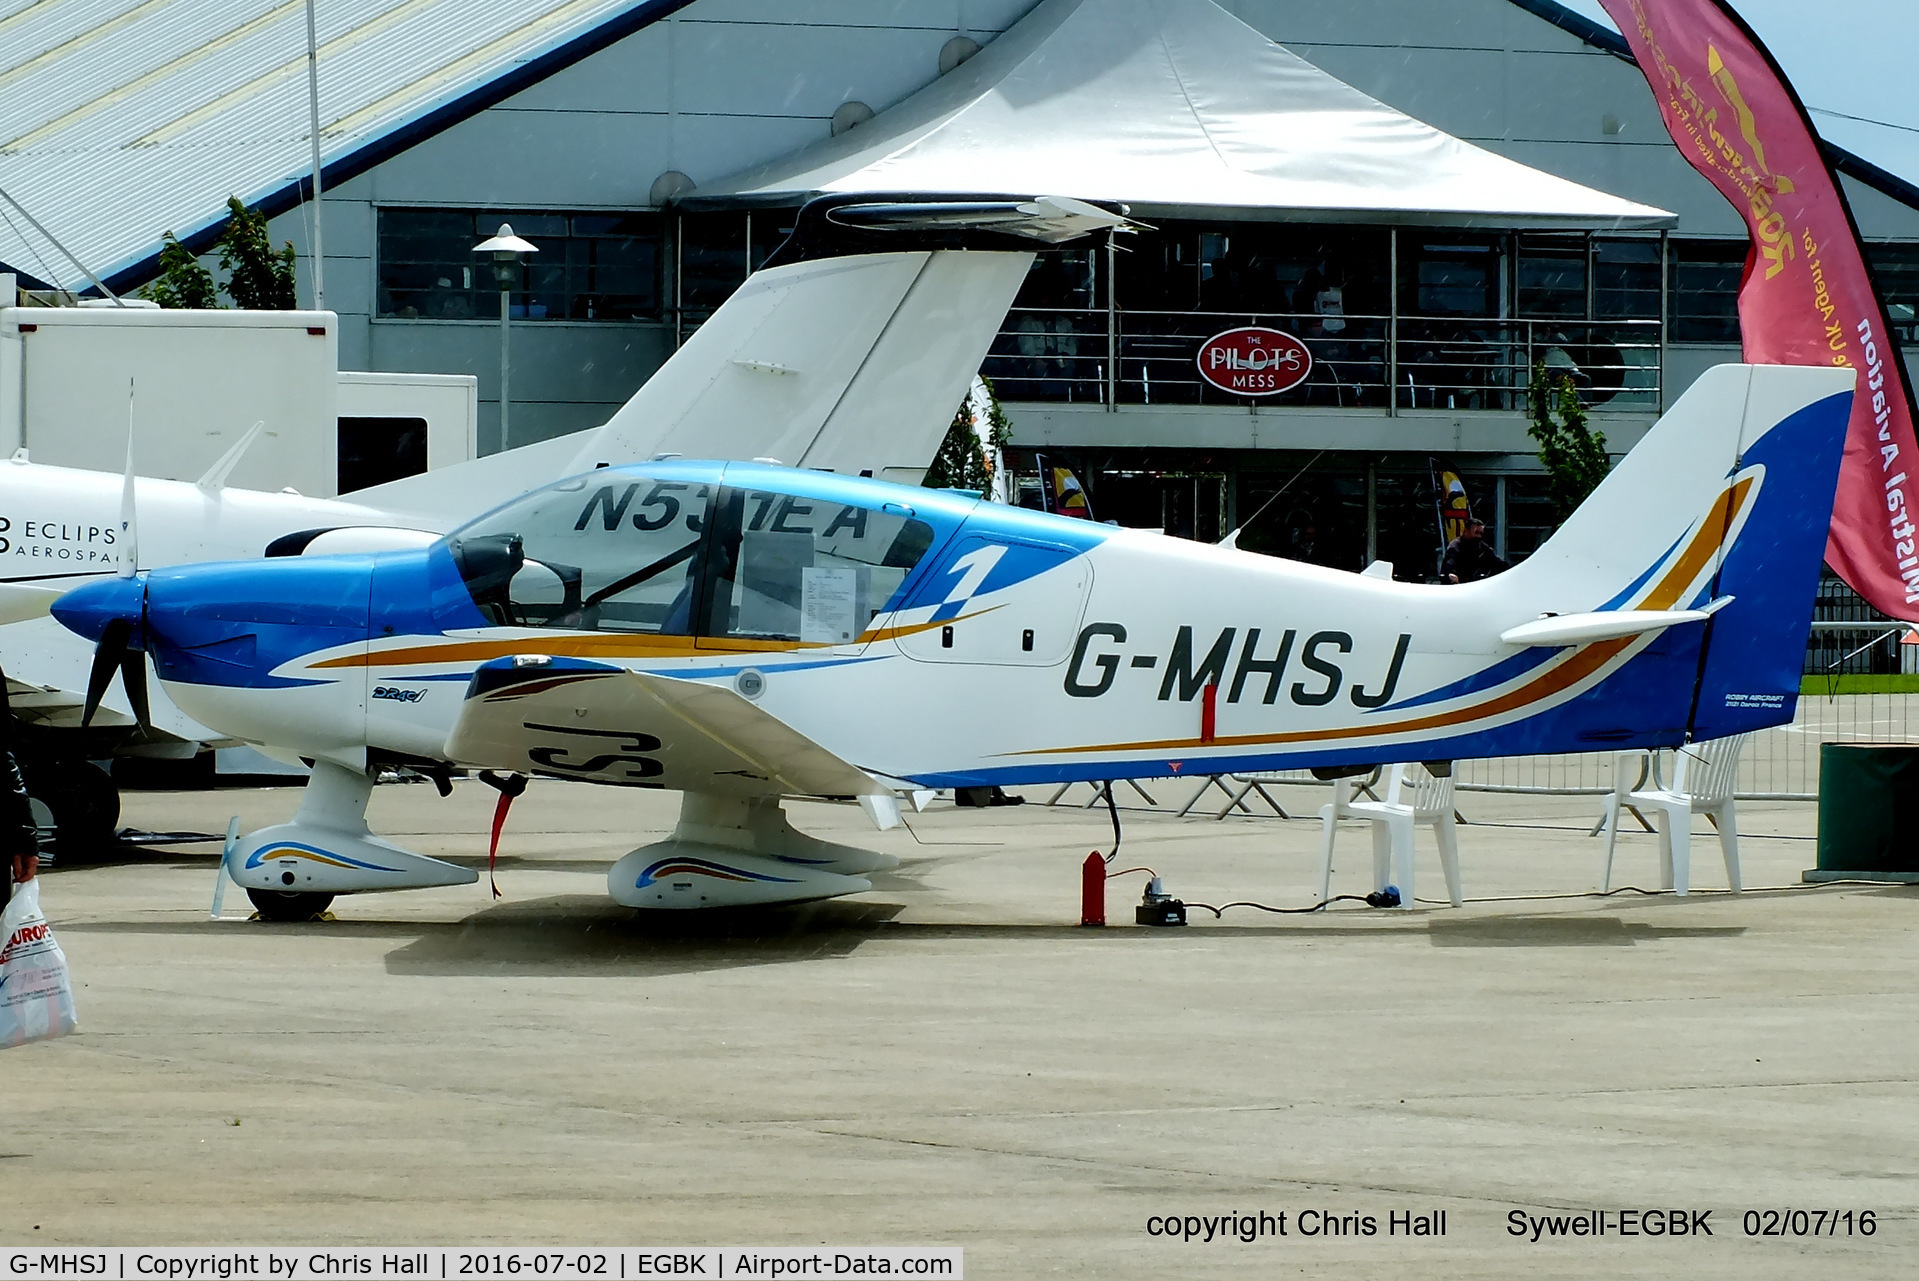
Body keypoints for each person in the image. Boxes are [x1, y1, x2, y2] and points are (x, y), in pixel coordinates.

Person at [1440, 518, 1509, 584]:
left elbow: (1499, 563)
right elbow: (1448, 568)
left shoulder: (1482, 547)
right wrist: (1452, 577)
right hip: (1460, 586)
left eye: (1481, 533)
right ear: (1466, 531)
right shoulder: (1455, 547)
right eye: (1476, 532)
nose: (1478, 536)